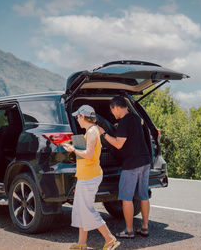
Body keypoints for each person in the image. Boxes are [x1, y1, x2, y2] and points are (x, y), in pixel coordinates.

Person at [62, 105, 120, 250]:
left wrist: (73, 149)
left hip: (89, 176)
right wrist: (73, 146)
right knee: (81, 209)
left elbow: (88, 154)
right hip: (85, 174)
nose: (77, 119)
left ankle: (110, 239)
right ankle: (82, 243)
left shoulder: (93, 132)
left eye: (77, 117)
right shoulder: (90, 131)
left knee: (86, 209)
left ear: (83, 117)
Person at [97, 96, 151, 239]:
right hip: (145, 161)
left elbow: (118, 144)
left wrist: (103, 133)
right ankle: (145, 227)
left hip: (132, 165)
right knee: (143, 196)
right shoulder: (134, 117)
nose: (113, 114)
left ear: (116, 107)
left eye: (112, 110)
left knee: (126, 198)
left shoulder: (124, 122)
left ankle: (129, 230)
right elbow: (139, 127)